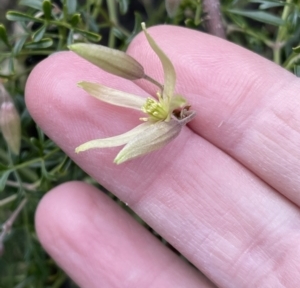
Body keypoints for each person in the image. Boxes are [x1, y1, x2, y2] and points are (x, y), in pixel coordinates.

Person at [25, 25, 300, 288]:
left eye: (159, 111)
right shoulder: (161, 112)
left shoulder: (167, 108)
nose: (154, 110)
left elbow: (167, 81)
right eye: (157, 112)